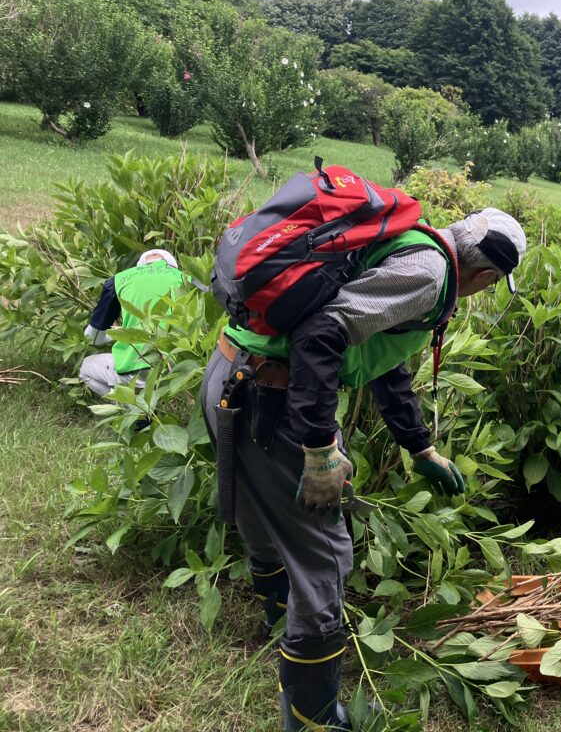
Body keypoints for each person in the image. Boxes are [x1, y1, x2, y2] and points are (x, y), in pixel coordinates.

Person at [199, 208, 526, 731]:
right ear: (486, 277)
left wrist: (419, 447)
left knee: (267, 532)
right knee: (326, 562)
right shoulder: (430, 274)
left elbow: (379, 354)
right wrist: (319, 445)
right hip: (271, 400)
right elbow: (322, 335)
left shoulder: (409, 247)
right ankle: (315, 720)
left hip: (232, 377)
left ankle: (288, 641)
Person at [79, 249, 187, 397]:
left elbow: (92, 338)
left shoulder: (118, 280)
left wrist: (124, 334)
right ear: (172, 267)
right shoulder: (187, 280)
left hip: (136, 369)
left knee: (86, 369)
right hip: (180, 370)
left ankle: (133, 410)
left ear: (140, 266)